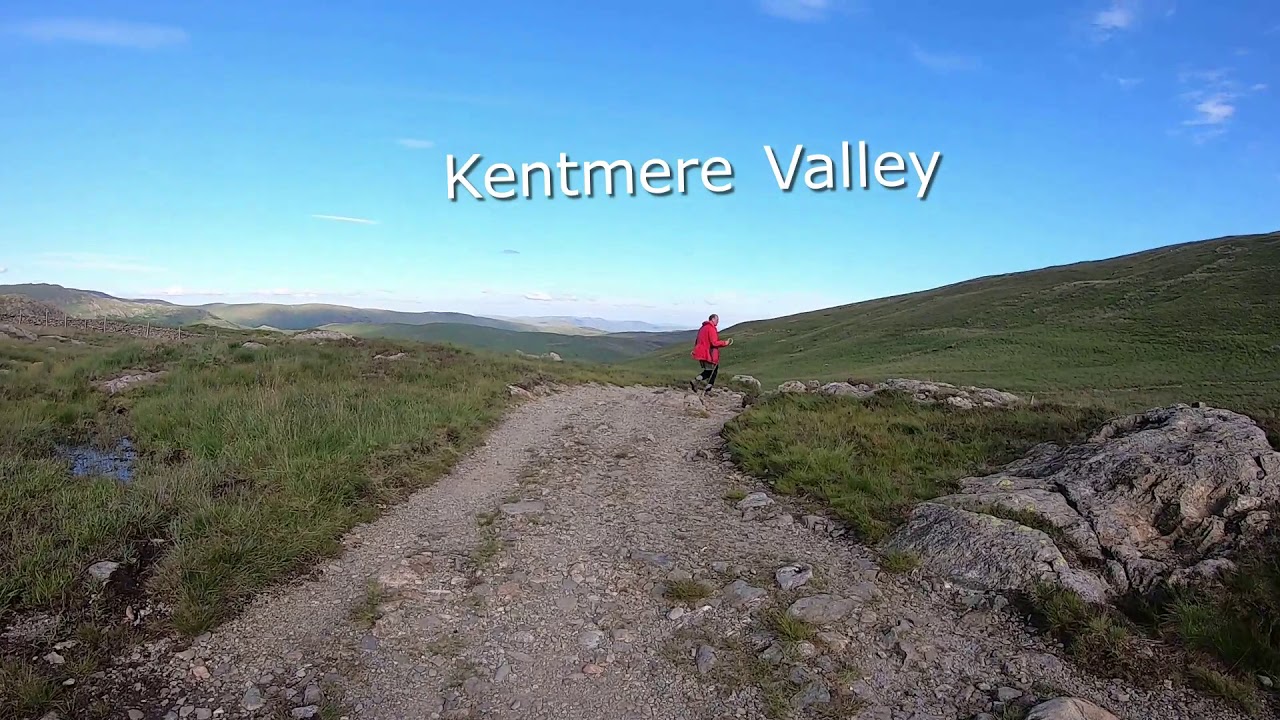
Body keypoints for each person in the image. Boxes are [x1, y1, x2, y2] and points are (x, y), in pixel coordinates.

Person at [690, 313, 732, 393]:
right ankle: (702, 385)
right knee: (712, 371)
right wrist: (725, 343)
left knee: (709, 370)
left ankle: (702, 384)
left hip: (701, 353)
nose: (717, 322)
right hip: (709, 353)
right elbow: (714, 343)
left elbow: (697, 341)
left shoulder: (702, 328)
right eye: (717, 320)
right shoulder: (711, 328)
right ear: (713, 319)